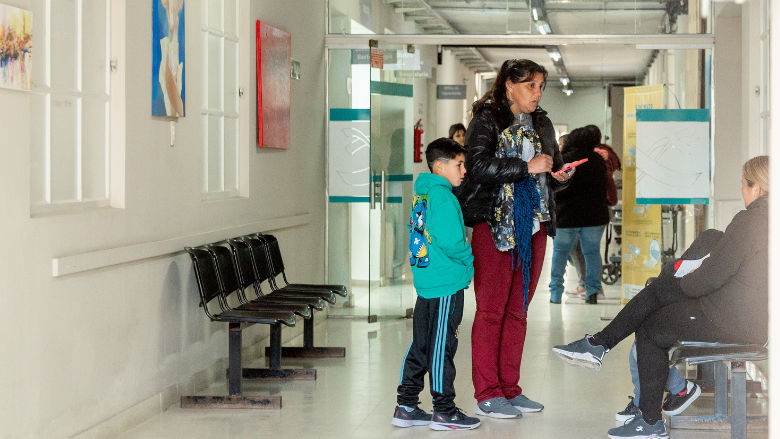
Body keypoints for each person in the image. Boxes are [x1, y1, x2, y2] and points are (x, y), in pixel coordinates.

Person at [552, 155, 769, 438]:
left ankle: (647, 416)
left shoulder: (750, 221)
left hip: (734, 320)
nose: (741, 189)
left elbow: (710, 279)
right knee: (668, 286)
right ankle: (603, 349)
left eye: (743, 184)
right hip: (749, 317)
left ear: (756, 188)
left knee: (653, 325)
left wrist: (678, 282)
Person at [457, 59, 573, 419]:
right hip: (495, 225)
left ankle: (510, 389)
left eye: (541, 87)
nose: (537, 94)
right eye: (530, 86)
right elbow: (477, 167)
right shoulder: (486, 120)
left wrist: (560, 175)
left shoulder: (542, 123)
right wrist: (525, 167)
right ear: (509, 85)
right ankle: (488, 392)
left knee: (518, 311)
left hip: (534, 226)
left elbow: (550, 168)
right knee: (491, 312)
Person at [393, 138, 480, 431]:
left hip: (427, 280)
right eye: (459, 164)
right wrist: (469, 263)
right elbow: (453, 241)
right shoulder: (443, 196)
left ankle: (406, 405)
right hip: (445, 282)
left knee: (422, 344)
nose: (464, 171)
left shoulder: (423, 193)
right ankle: (444, 410)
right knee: (442, 345)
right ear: (440, 166)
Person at [548, 126, 609, 304]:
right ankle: (592, 291)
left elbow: (556, 188)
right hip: (594, 216)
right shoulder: (597, 160)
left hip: (566, 216)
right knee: (592, 253)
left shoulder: (564, 159)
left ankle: (555, 293)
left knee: (560, 253)